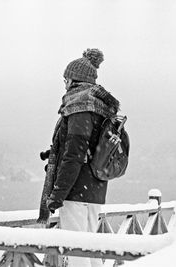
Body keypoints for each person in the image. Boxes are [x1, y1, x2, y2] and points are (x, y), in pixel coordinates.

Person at [44, 48, 120, 267]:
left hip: (77, 190)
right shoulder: (100, 106)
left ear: (74, 79)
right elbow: (88, 145)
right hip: (95, 186)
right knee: (90, 251)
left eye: (66, 78)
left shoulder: (79, 105)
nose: (64, 82)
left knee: (77, 252)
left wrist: (58, 194)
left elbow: (75, 154)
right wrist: (53, 153)